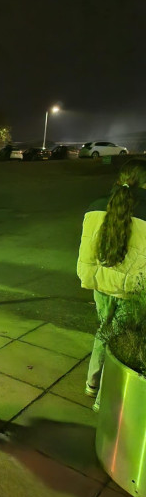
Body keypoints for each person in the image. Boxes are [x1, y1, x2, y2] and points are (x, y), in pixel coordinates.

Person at [77, 159, 146, 411]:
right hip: (129, 290)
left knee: (104, 331)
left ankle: (91, 383)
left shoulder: (97, 205)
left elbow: (88, 248)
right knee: (119, 345)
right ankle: (101, 401)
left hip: (100, 284)